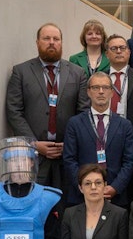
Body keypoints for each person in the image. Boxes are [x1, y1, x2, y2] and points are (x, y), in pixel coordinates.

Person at [6, 23, 89, 190]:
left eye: (56, 39)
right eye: (46, 38)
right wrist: (34, 144)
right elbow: (14, 111)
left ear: (61, 43)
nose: (52, 42)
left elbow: (84, 111)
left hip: (66, 155)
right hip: (32, 157)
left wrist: (69, 143)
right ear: (37, 42)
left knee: (65, 207)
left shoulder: (78, 73)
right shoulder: (21, 72)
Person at [61, 72, 133, 207]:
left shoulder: (124, 125)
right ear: (88, 92)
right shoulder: (75, 123)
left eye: (105, 88)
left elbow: (129, 161)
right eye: (96, 88)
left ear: (112, 92)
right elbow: (69, 159)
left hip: (115, 197)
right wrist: (84, 186)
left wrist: (115, 187)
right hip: (81, 197)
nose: (101, 92)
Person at [103, 34, 133, 131]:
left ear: (129, 52)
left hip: (132, 132)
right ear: (107, 54)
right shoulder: (100, 78)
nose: (119, 51)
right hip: (104, 130)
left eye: (122, 48)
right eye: (114, 48)